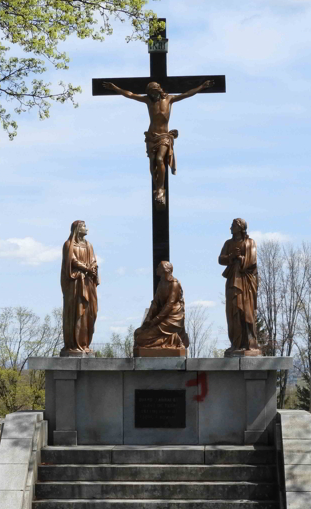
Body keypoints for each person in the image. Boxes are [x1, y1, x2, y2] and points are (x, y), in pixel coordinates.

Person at [103, 79, 214, 208]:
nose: (153, 96)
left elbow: (186, 94)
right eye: (150, 94)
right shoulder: (148, 101)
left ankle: (161, 188)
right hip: (151, 136)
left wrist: (201, 86)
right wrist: (115, 88)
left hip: (164, 137)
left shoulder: (169, 99)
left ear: (159, 91)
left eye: (154, 93)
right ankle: (157, 186)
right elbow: (131, 95)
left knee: (160, 158)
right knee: (152, 162)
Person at [218, 219, 261, 356]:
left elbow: (252, 260)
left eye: (234, 225)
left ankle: (249, 343)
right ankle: (236, 344)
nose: (231, 227)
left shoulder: (250, 242)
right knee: (233, 310)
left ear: (241, 228)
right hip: (232, 280)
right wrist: (231, 256)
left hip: (246, 280)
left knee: (246, 312)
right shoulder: (228, 243)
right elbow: (220, 260)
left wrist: (241, 258)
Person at [60, 220, 99, 355]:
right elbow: (72, 260)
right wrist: (86, 267)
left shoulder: (89, 245)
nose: (86, 228)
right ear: (77, 229)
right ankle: (73, 344)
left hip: (88, 282)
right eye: (83, 226)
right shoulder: (68, 244)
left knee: (90, 312)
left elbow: (93, 260)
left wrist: (92, 268)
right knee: (77, 311)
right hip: (76, 283)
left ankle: (85, 343)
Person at [134, 261, 189, 351]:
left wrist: (156, 320)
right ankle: (168, 340)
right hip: (161, 318)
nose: (157, 269)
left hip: (172, 319)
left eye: (159, 267)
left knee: (141, 339)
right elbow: (155, 303)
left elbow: (169, 304)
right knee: (137, 333)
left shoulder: (174, 284)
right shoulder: (161, 283)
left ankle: (174, 339)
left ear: (165, 270)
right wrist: (147, 321)